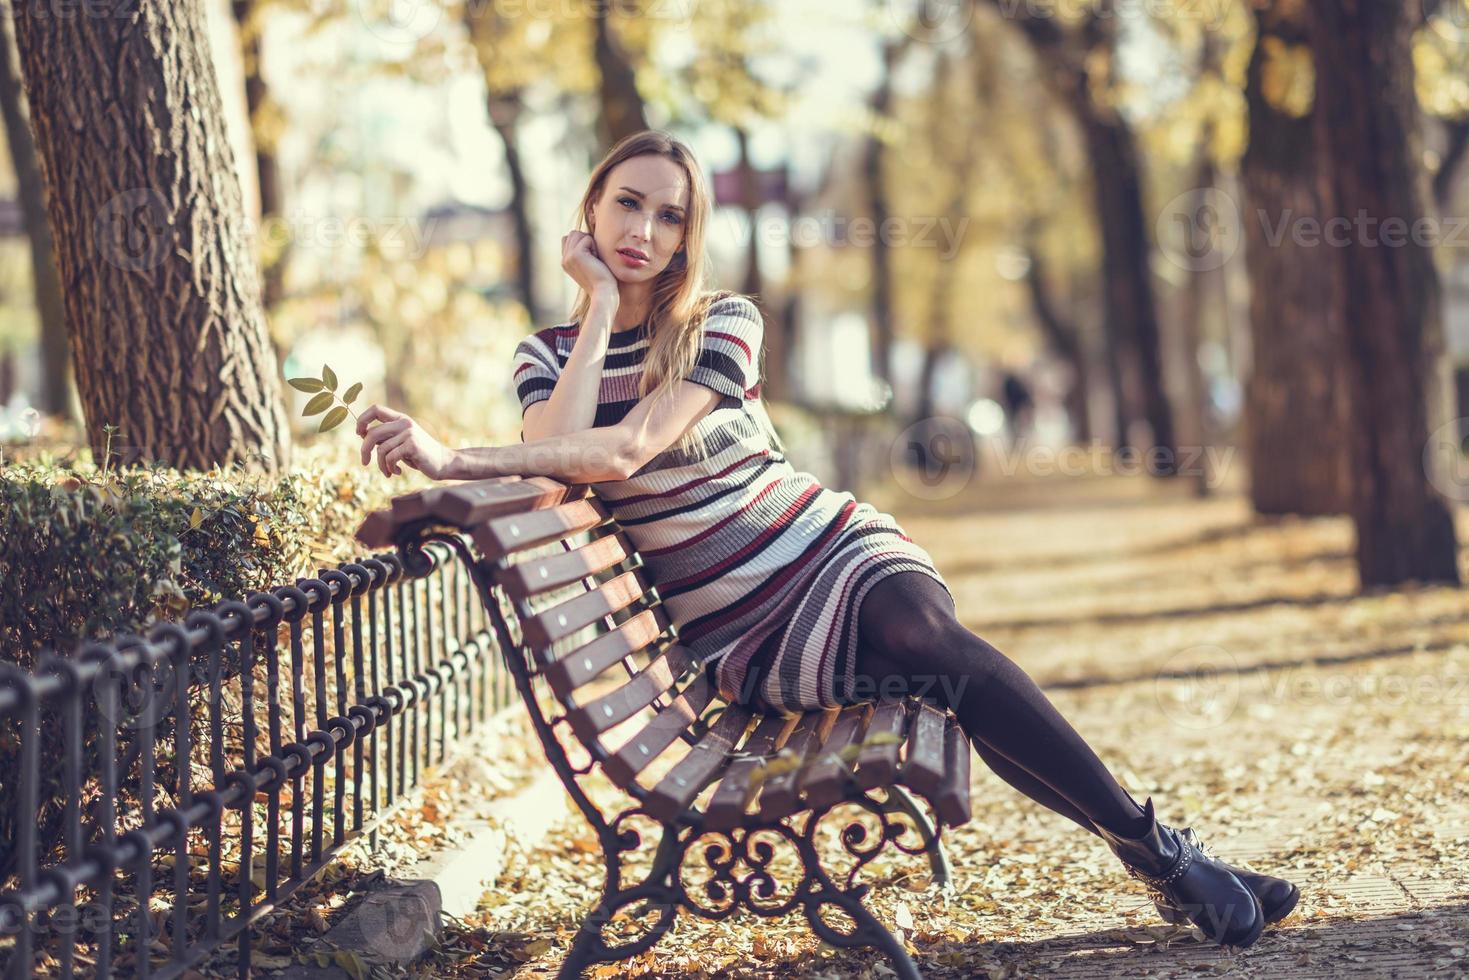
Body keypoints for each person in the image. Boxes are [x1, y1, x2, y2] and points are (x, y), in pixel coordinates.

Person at [355, 130, 1297, 949]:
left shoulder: (723, 322)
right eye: (626, 205)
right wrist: (597, 309)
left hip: (831, 549)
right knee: (943, 674)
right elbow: (560, 456)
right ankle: (1170, 860)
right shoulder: (546, 353)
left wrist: (448, 457)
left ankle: (1164, 858)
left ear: (693, 233)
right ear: (590, 211)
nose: (643, 231)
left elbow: (630, 447)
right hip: (749, 631)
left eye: (669, 216)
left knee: (929, 646)